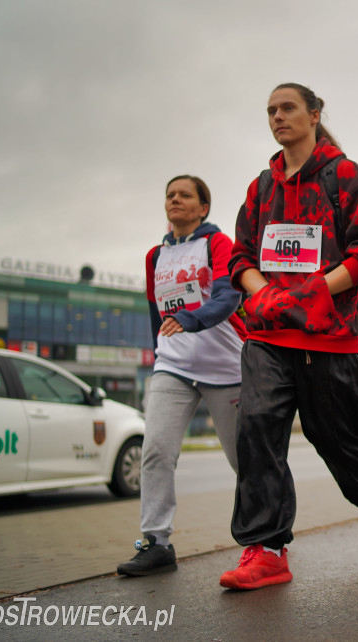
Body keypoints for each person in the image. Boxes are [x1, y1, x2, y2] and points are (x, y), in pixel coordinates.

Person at [220, 83, 358, 591]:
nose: (278, 117)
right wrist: (262, 297)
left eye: (288, 108)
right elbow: (241, 256)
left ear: (314, 115)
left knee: (338, 438)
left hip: (329, 338)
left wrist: (318, 291)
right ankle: (267, 550)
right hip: (268, 336)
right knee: (256, 430)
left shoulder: (342, 174)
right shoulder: (261, 187)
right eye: (271, 111)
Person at [117, 175, 246, 577]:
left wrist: (190, 320)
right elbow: (158, 316)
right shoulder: (155, 256)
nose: (175, 199)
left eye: (185, 194)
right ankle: (155, 543)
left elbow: (229, 298)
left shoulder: (218, 244)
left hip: (225, 366)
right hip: (172, 366)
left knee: (246, 459)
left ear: (203, 207)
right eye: (170, 195)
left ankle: (267, 537)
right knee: (156, 450)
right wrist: (162, 349)